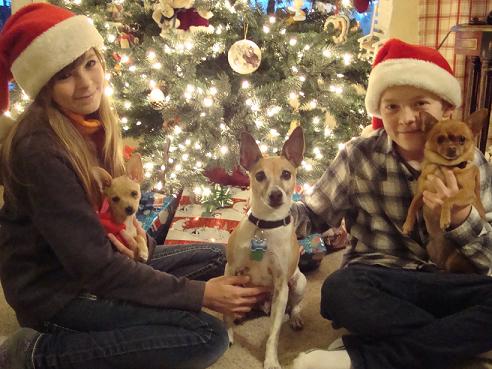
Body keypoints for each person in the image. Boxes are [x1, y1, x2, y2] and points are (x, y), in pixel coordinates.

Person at [0, 3, 269, 369]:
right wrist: (201, 294)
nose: (85, 83)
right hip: (59, 291)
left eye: (89, 64)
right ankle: (35, 354)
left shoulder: (93, 122)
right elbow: (95, 268)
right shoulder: (39, 150)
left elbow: (107, 218)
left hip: (97, 261)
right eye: (65, 75)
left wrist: (139, 237)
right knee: (207, 336)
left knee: (222, 257)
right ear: (44, 86)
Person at [290, 38, 492, 369]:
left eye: (421, 104)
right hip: (379, 280)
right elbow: (313, 214)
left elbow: (487, 260)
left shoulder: (476, 164)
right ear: (378, 111)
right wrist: (265, 218)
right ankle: (459, 344)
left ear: (446, 111)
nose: (407, 118)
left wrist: (462, 219)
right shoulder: (359, 155)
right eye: (392, 107)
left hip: (449, 283)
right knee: (339, 290)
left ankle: (366, 355)